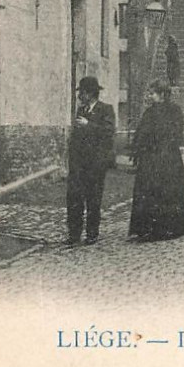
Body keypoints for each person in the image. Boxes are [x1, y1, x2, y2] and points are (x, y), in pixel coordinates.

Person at [128, 80, 184, 243]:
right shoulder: (149, 112)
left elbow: (176, 133)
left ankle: (170, 227)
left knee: (168, 191)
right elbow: (141, 132)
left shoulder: (174, 111)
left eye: (153, 93)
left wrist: (160, 143)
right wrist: (138, 148)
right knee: (147, 190)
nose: (150, 96)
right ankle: (146, 227)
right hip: (150, 158)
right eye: (149, 93)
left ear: (162, 94)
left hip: (167, 158)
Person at [66, 76, 115, 247]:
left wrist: (89, 125)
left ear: (91, 94)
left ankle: (92, 234)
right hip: (79, 164)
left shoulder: (106, 110)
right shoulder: (81, 110)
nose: (80, 96)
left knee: (93, 199)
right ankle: (74, 235)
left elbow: (108, 132)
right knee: (74, 198)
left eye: (83, 93)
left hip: (95, 164)